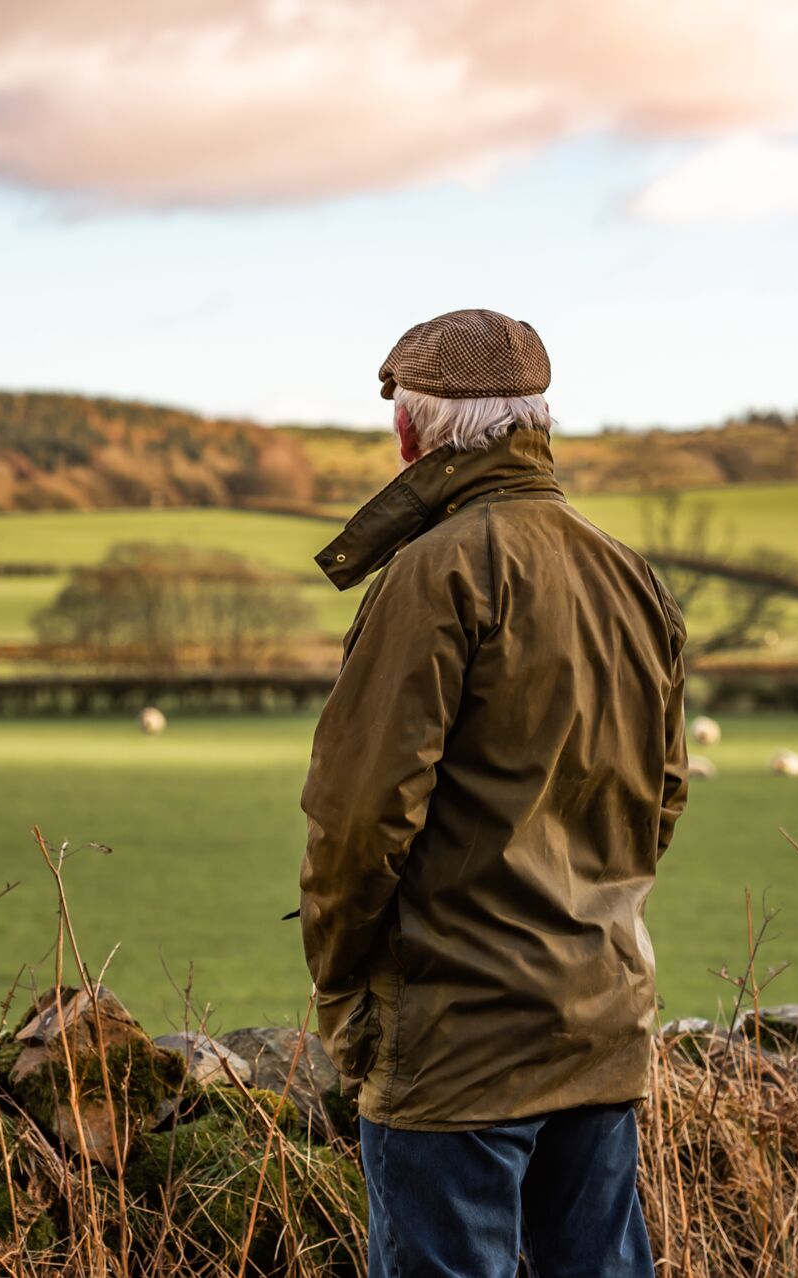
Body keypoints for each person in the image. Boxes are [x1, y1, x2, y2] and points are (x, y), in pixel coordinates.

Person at [299, 309, 687, 1278]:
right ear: (536, 425)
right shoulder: (630, 579)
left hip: (456, 1053)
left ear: (409, 435)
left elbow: (358, 826)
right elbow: (661, 799)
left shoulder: (431, 576)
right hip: (599, 1030)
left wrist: (346, 990)